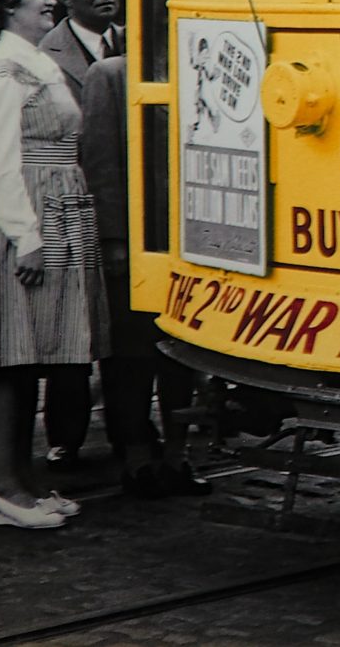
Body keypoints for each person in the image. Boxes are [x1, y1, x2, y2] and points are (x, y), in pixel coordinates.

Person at [0, 0, 109, 530]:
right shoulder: (3, 73)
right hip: (24, 221)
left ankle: (23, 481)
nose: (51, 2)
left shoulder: (32, 63)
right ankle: (5, 489)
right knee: (8, 357)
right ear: (8, 8)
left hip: (56, 215)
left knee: (34, 357)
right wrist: (26, 237)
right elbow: (0, 163)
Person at [80, 53, 211, 498]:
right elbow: (99, 161)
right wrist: (115, 237)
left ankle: (177, 455)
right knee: (130, 357)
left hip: (188, 244)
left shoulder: (198, 65)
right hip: (136, 245)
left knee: (184, 354)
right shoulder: (111, 75)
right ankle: (136, 457)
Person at [35, 0, 128, 469]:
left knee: (122, 330)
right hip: (70, 201)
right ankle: (65, 436)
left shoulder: (130, 43)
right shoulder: (48, 53)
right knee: (73, 331)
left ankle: (126, 430)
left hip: (118, 204)